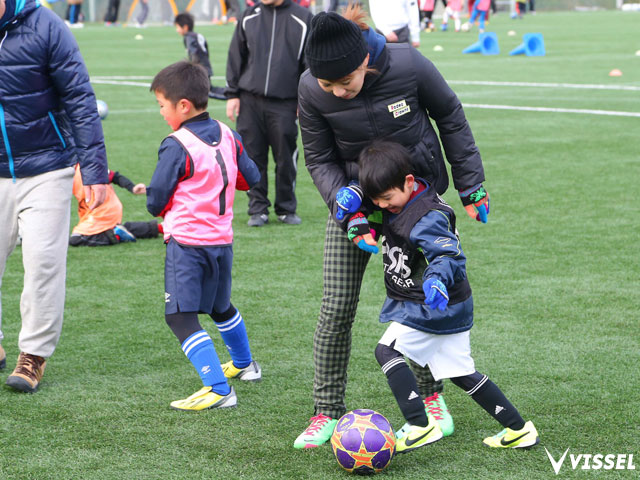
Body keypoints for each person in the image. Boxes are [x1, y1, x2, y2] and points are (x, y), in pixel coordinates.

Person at [294, 6, 490, 448]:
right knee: (336, 307)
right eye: (328, 85)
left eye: (344, 82)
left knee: (421, 302)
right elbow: (320, 158)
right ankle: (326, 411)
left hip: (414, 204)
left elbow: (451, 116)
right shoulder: (310, 88)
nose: (336, 92)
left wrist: (471, 185)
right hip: (354, 207)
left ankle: (430, 398)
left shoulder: (409, 64)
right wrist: (349, 212)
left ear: (364, 60)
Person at [358, 140, 538, 452]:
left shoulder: (427, 216)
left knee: (386, 351)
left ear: (409, 182)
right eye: (378, 200)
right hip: (445, 303)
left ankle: (419, 424)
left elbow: (447, 256)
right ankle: (519, 429)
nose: (383, 205)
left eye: (387, 198)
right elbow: (378, 210)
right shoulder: (397, 201)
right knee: (462, 374)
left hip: (434, 303)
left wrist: (436, 281)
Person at [0, 0, 108, 392]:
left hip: (47, 166)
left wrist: (95, 170)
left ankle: (33, 355)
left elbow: (80, 97)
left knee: (43, 262)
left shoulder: (46, 25)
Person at [147, 61, 262, 411]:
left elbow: (155, 201)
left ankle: (218, 389)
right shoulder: (229, 134)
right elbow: (250, 177)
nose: (162, 113)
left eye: (162, 106)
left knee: (179, 317)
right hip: (221, 242)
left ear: (183, 106)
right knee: (218, 306)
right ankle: (246, 365)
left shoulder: (176, 143)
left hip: (188, 244)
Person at [225, 0, 313, 227]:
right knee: (252, 156)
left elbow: (309, 64)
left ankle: (286, 208)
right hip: (249, 101)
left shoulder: (304, 18)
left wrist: (303, 99)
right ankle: (258, 209)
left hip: (285, 102)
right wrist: (232, 94)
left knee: (286, 157)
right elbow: (236, 56)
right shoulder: (248, 16)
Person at [70, 165, 160, 246]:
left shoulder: (86, 167)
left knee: (76, 239)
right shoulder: (77, 168)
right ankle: (158, 228)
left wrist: (133, 188)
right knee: (116, 228)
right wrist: (132, 188)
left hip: (104, 211)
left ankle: (115, 235)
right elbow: (115, 176)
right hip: (100, 211)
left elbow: (115, 177)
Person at [174, 12, 226, 101]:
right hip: (205, 66)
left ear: (185, 27)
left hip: (201, 69)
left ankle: (233, 95)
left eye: (177, 27)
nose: (177, 30)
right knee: (204, 91)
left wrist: (192, 67)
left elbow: (194, 54)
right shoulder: (196, 35)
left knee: (208, 92)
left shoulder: (189, 38)